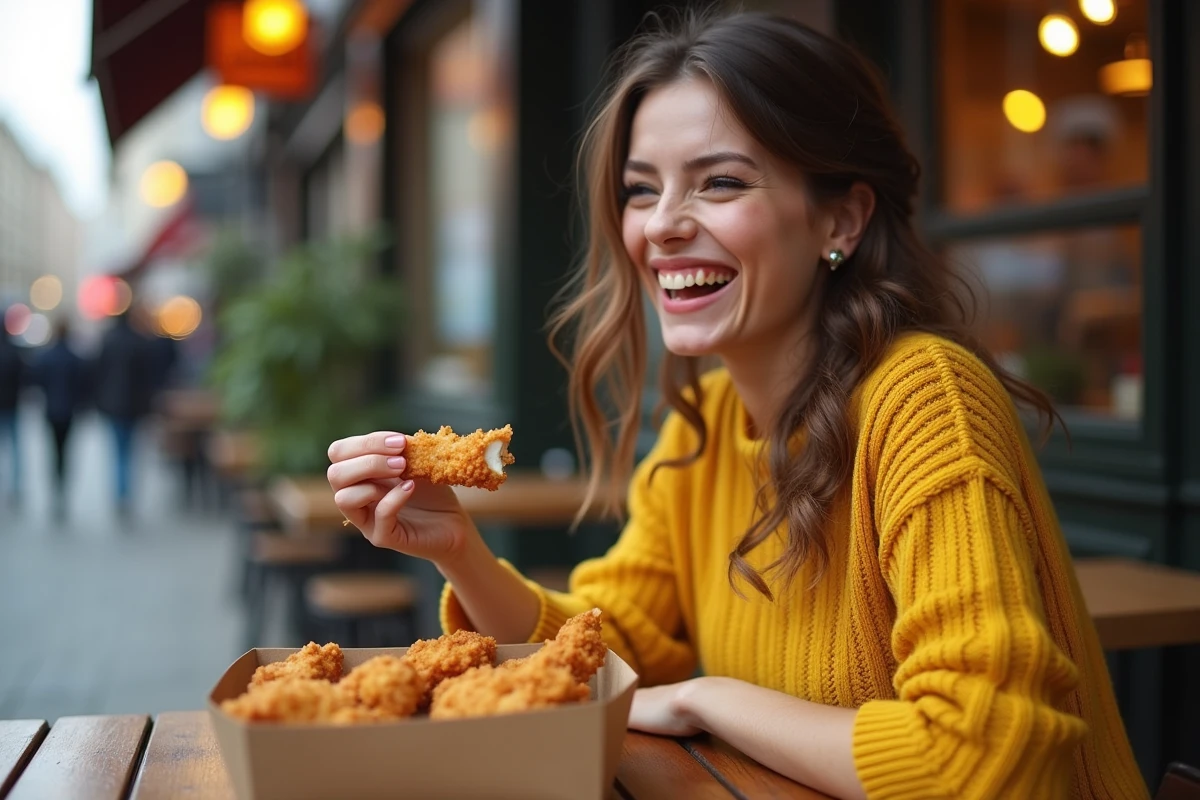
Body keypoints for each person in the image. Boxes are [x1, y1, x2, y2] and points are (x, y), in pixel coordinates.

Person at [326, 12, 1146, 798]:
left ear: (842, 217)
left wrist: (704, 699)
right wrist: (457, 548)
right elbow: (606, 652)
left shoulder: (925, 400)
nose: (664, 226)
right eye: (641, 191)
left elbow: (985, 759)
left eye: (721, 182)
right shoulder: (707, 426)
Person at [93, 307, 156, 517]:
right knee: (130, 451)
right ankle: (126, 494)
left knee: (117, 451)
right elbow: (147, 378)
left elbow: (98, 373)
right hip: (134, 406)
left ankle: (120, 494)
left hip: (113, 405)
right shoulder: (139, 342)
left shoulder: (108, 341)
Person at [31, 318, 90, 517]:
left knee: (53, 451)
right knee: (66, 451)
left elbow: (36, 381)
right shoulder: (75, 358)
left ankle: (56, 487)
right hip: (69, 412)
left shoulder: (46, 357)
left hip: (51, 411)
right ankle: (62, 487)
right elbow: (84, 386)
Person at [0, 314, 25, 508]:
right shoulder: (14, 351)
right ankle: (15, 488)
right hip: (12, 406)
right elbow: (23, 378)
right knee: (15, 449)